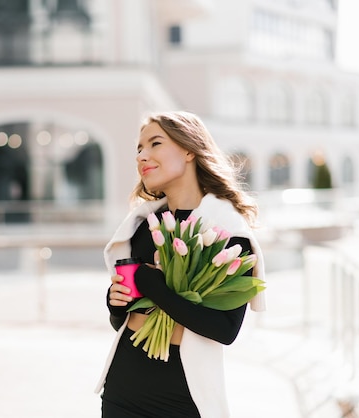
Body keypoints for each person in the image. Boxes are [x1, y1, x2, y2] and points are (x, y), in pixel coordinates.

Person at [95, 111, 266, 418]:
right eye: (138, 149)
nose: (142, 156)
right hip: (122, 390)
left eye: (154, 143)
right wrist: (116, 305)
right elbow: (124, 323)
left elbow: (225, 330)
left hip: (181, 398)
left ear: (189, 149)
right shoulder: (141, 226)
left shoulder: (226, 228)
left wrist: (152, 286)